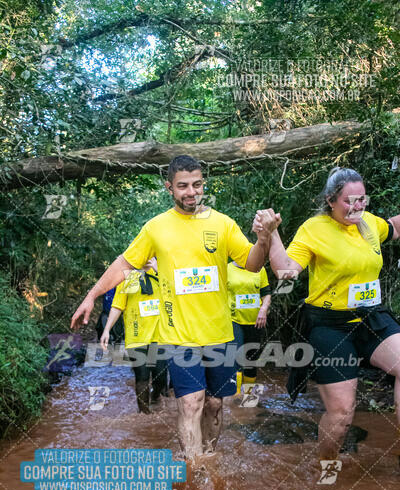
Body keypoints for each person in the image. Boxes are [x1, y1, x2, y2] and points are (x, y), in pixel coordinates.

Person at [71, 155, 278, 460]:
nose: (191, 192)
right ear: (169, 187)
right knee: (192, 402)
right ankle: (195, 469)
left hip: (220, 332)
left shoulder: (222, 224)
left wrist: (263, 239)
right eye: (183, 186)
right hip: (179, 335)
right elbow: (124, 265)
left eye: (197, 184)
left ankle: (208, 457)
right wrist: (91, 295)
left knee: (214, 404)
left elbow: (252, 263)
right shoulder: (156, 228)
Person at [254, 167, 400, 471]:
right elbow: (286, 274)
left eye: (362, 199)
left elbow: (394, 227)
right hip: (329, 325)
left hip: (372, 317)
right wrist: (272, 235)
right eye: (350, 201)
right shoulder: (314, 229)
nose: (358, 206)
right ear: (331, 200)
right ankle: (327, 467)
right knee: (342, 413)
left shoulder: (369, 223)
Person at [100, 258, 168, 414]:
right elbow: (118, 306)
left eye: (150, 255)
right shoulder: (128, 277)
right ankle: (144, 413)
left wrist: (158, 269)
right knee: (142, 377)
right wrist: (107, 329)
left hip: (160, 336)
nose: (146, 258)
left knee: (161, 376)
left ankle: (156, 396)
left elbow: (175, 295)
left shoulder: (163, 275)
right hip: (136, 336)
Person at [227, 261, 271, 395]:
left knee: (252, 360)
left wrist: (264, 309)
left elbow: (266, 293)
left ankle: (248, 398)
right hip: (233, 320)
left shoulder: (259, 268)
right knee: (236, 357)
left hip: (256, 321)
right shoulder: (226, 268)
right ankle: (235, 397)